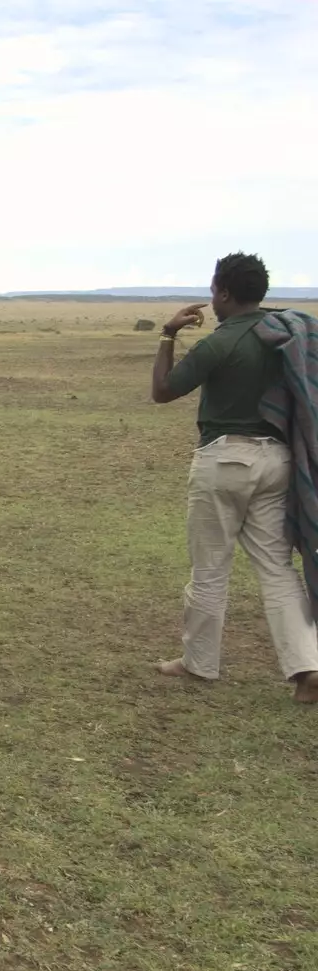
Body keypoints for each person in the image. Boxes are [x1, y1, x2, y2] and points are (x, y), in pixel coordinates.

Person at [149, 251, 318, 701]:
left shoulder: (220, 343)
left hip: (225, 460)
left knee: (210, 568)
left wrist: (168, 334)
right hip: (277, 460)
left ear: (223, 292)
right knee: (279, 570)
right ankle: (307, 668)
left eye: (213, 291)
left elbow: (163, 392)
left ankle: (200, 664)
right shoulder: (284, 333)